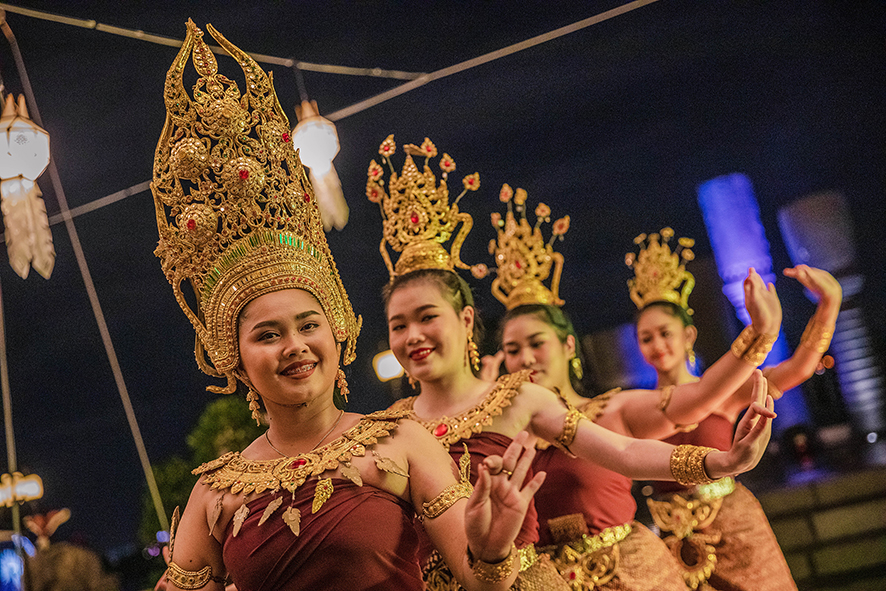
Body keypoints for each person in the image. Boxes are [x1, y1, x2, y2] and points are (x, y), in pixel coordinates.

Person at [151, 22, 546, 591]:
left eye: (309, 325)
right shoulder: (217, 492)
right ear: (232, 357)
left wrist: (488, 550)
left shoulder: (401, 442)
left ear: (338, 334)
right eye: (267, 335)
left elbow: (484, 583)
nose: (295, 346)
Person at [366, 143, 777, 590]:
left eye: (427, 317)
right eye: (398, 325)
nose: (413, 337)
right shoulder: (386, 427)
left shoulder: (518, 399)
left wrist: (722, 461)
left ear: (466, 321)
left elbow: (622, 453)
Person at [482, 201, 782, 590]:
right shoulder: (501, 431)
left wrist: (759, 335)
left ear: (569, 346)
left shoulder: (611, 409)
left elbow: (702, 394)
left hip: (631, 575)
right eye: (512, 349)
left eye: (536, 343)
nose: (525, 358)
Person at [631, 232, 842, 591]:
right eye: (646, 338)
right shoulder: (634, 409)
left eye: (665, 333)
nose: (657, 345)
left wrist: (829, 302)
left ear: (689, 335)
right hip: (668, 540)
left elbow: (800, 367)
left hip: (734, 528)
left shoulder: (722, 391)